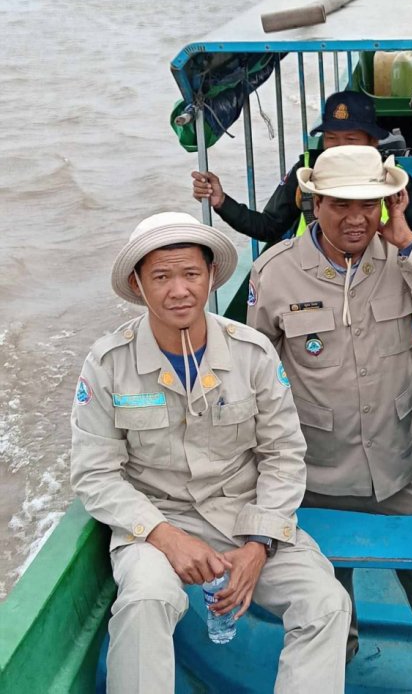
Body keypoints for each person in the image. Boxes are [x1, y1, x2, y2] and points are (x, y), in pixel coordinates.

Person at [70, 212, 351, 694]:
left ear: (210, 278)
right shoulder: (107, 364)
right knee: (145, 599)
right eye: (161, 276)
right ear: (138, 284)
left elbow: (283, 454)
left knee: (326, 603)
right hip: (155, 524)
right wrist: (165, 536)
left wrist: (259, 545)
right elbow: (95, 474)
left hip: (246, 517)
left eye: (190, 274)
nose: (178, 290)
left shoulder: (253, 353)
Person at [246, 145, 412, 658]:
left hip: (400, 467)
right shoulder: (274, 273)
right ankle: (339, 658)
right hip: (317, 474)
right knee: (327, 593)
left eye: (368, 205)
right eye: (340, 205)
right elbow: (252, 374)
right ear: (313, 204)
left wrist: (409, 243)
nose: (355, 219)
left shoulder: (402, 257)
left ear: (388, 204)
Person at [192, 89, 412, 253]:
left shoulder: (395, 181)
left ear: (372, 142)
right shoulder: (306, 173)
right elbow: (267, 227)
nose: (339, 147)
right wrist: (222, 201)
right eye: (331, 137)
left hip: (379, 282)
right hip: (315, 278)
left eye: (351, 139)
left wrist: (403, 245)